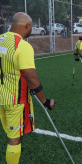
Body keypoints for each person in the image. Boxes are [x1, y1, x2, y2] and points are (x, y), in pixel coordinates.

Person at [0, 12, 55, 164]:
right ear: (27, 26)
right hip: (15, 99)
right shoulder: (22, 45)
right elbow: (31, 78)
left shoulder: (0, 39)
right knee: (14, 138)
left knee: (11, 131)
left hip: (1, 97)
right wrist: (45, 101)